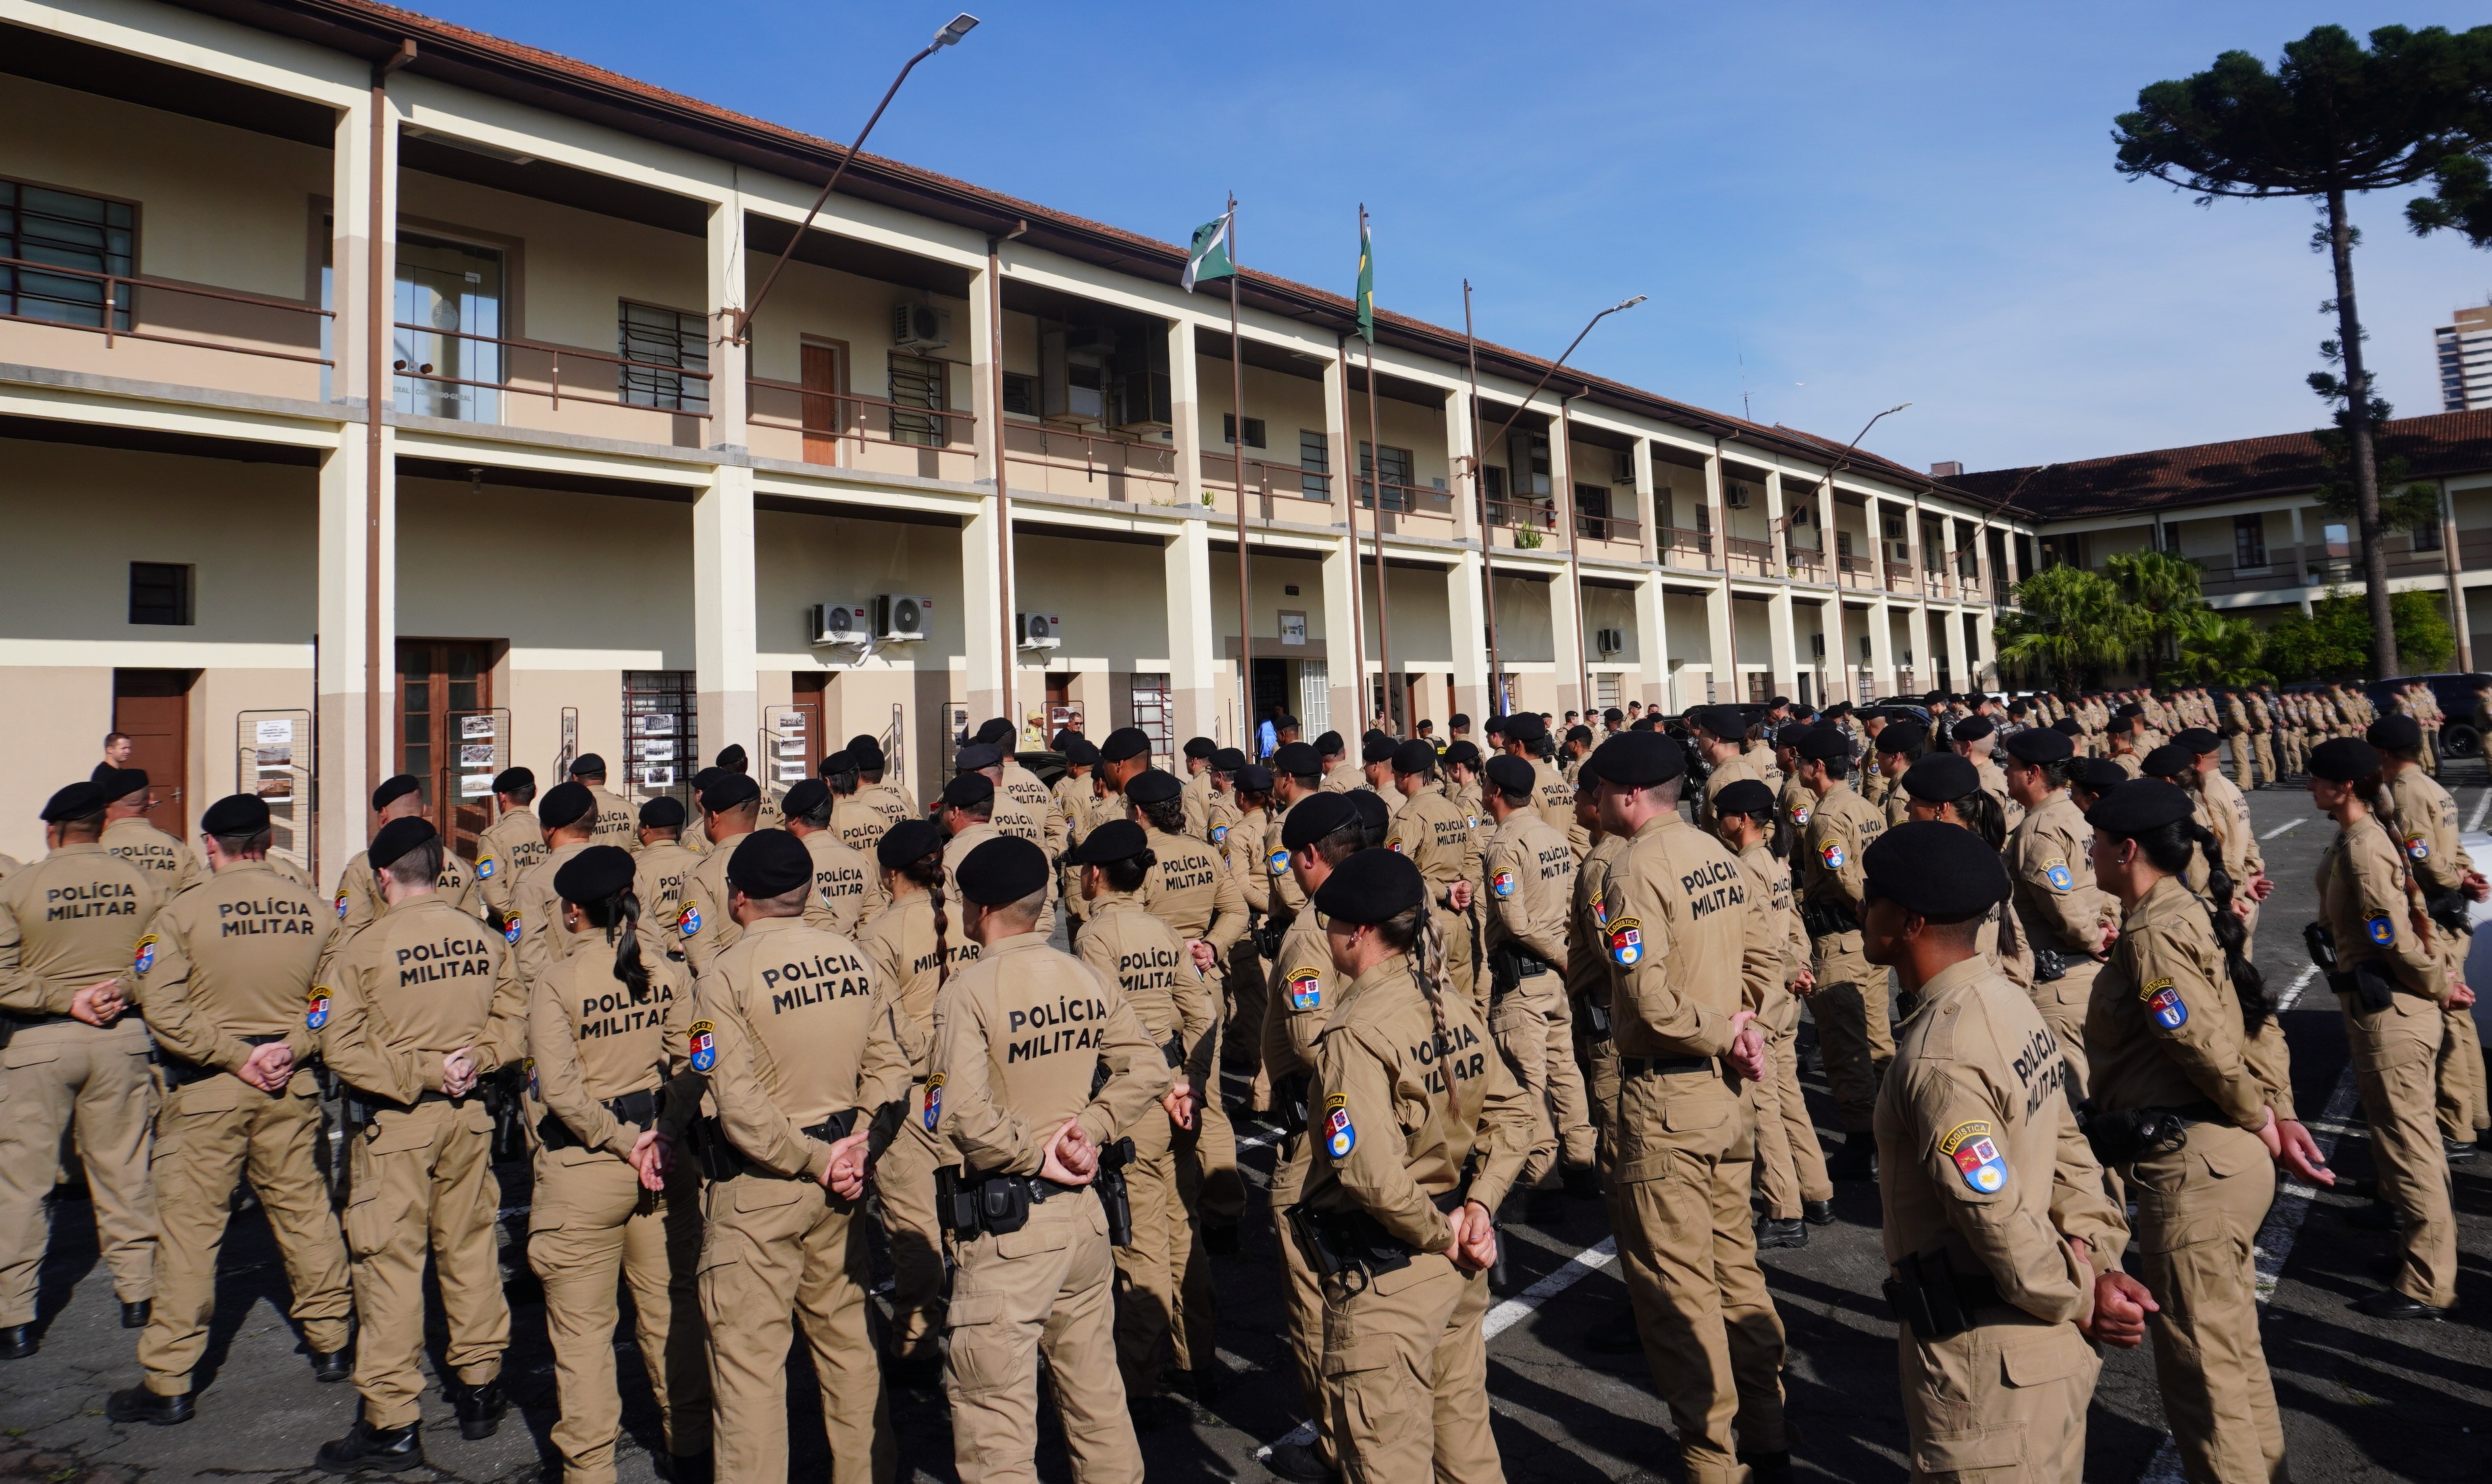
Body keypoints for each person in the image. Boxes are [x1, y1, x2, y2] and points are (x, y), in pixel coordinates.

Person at [1861, 821, 2144, 1484]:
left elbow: (1997, 1219)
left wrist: (2084, 1296)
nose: (1863, 911)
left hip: (1989, 1371)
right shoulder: (2008, 1002)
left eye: (1874, 899)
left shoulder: (1939, 1056)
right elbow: (2069, 1146)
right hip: (2043, 1351)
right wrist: (2100, 1261)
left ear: (1909, 921)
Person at [2086, 780, 2326, 1484]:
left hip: (2194, 1166)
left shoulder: (2154, 931)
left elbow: (2197, 1042)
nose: (2088, 852)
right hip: (2218, 1156)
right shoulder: (2181, 909)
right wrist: (2275, 1112)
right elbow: (2253, 1019)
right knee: (2234, 1358)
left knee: (2204, 1382)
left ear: (2126, 850)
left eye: (2096, 842)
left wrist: (2262, 1116)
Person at [929, 834, 1167, 1484]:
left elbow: (962, 1116)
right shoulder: (1082, 975)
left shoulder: (968, 991)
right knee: (1097, 1401)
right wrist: (1089, 1130)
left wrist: (1036, 1155)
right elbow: (1147, 1067)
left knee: (995, 1429)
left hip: (1011, 1232)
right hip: (1083, 1219)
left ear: (980, 910)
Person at [103, 794, 348, 1423]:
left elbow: (163, 1010)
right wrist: (287, 1049)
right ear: (268, 842)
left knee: (190, 1234)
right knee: (306, 1214)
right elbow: (332, 1004)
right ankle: (332, 1342)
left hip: (209, 1090)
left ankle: (170, 1378)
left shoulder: (181, 912)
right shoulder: (317, 911)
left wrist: (236, 1057)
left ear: (211, 846)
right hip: (289, 1084)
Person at [1589, 731, 1790, 1483]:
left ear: (1630, 795)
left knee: (1679, 1296)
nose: (1595, 800)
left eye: (1602, 789)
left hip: (1669, 1098)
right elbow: (1765, 957)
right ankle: (1768, 1434)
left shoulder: (1632, 869)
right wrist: (1746, 1025)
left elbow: (1647, 999)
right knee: (1736, 1270)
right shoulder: (1717, 853)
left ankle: (1712, 1462)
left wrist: (1725, 1033)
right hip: (1725, 1098)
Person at [1300, 848, 1531, 1481]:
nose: (1328, 935)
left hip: (1393, 1270)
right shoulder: (1445, 1002)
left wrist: (1443, 1232)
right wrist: (1478, 1206)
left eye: (1333, 923)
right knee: (1466, 1447)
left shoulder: (1355, 1033)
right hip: (1458, 1258)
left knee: (1388, 1459)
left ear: (1359, 933)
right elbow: (1516, 1116)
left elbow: (1371, 1175)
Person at [687, 827, 907, 1483]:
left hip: (763, 1184)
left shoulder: (724, 975)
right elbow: (892, 1069)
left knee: (749, 1367)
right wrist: (859, 1148)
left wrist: (816, 1159)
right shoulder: (853, 959)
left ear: (738, 897)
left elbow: (739, 1105)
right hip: (842, 1177)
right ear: (807, 892)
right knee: (848, 1343)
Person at [313, 816, 526, 1470]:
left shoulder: (363, 949)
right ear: (439, 869)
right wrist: (471, 1061)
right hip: (468, 1117)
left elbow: (339, 1046)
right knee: (470, 1248)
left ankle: (392, 1420)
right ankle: (481, 1387)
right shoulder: (485, 938)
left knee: (388, 1264)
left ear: (383, 877)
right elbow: (515, 1023)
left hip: (397, 1124)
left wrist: (426, 1072)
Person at [525, 845, 710, 1484]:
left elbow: (560, 1091)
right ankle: (691, 1448)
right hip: (663, 1153)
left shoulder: (558, 980)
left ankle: (591, 1470)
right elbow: (693, 1066)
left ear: (572, 911)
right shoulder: (665, 969)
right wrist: (663, 1132)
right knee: (672, 1310)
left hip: (588, 1165)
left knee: (583, 1337)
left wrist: (623, 1140)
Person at [0, 781, 162, 1361]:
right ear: (102, 826)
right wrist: (119, 990)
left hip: (39, 1044)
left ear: (53, 831)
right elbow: (159, 963)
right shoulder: (141, 883)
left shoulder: (20, 885)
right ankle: (139, 1294)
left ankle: (15, 1316)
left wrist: (64, 999)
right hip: (121, 1039)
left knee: (23, 1184)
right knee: (125, 1168)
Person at [2308, 737, 2464, 1318]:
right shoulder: (2358, 834)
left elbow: (2392, 936)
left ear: (2344, 786)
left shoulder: (2365, 848)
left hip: (2392, 1011)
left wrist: (2440, 981)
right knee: (2404, 1141)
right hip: (2377, 1004)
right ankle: (2417, 1256)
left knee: (2409, 1147)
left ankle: (2427, 1282)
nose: (2310, 785)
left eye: (2318, 777)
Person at [1070, 821, 1214, 1427]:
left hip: (1132, 1096)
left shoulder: (1094, 937)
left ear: (1095, 875)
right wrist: (1190, 1084)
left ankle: (1139, 1378)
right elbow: (1202, 1011)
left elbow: (1105, 1026)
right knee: (1184, 1228)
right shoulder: (1162, 931)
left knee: (1141, 1243)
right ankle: (1196, 1356)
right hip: (1177, 1090)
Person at [1255, 792, 1361, 1483]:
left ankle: (1337, 1445)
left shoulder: (1312, 929)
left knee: (1315, 1290)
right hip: (1385, 1125)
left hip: (1324, 1131)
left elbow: (1310, 1043)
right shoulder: (1394, 902)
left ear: (1308, 857)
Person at [1123, 766, 1245, 1368]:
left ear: (1137, 812)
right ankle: (1223, 1207)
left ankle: (1181, 1202)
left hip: (1151, 991)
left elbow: (1128, 925)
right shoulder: (1203, 852)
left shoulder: (1140, 859)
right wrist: (1211, 946)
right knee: (1209, 1098)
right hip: (1202, 979)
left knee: (1151, 1104)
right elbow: (1235, 909)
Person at [854, 819, 975, 1382]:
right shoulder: (969, 916)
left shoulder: (879, 936)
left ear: (888, 874)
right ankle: (975, 1326)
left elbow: (885, 1027)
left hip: (913, 1091)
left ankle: (916, 1342)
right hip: (968, 1084)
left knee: (914, 1223)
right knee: (969, 1214)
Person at [1709, 778, 1829, 1251]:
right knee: (1790, 1100)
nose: (1717, 823)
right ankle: (1816, 1192)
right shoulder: (1775, 862)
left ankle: (1784, 1212)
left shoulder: (1744, 868)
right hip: (1785, 995)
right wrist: (1800, 967)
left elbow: (1760, 939)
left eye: (1721, 815)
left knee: (1764, 1110)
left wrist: (1787, 971)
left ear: (1741, 821)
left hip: (1763, 1000)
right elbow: (1792, 924)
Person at [1477, 752, 1595, 1220]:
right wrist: (1565, 952)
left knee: (1528, 1079)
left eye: (1485, 784)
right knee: (1564, 1069)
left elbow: (1515, 921)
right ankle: (1581, 1160)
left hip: (1524, 977)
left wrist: (1559, 955)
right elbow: (1569, 902)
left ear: (1495, 793)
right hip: (1552, 980)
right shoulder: (1550, 835)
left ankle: (1541, 1176)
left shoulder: (1505, 844)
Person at [2369, 713, 2492, 1161]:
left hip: (2435, 915)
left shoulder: (2404, 792)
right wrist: (2468, 876)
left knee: (2447, 1020)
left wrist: (2457, 881)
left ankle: (2457, 1126)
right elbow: (2453, 847)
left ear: (2383, 753)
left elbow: (2420, 855)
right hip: (2449, 908)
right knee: (2459, 1020)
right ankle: (2476, 1117)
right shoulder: (2433, 787)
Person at [1794, 725, 1890, 1179]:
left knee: (1844, 1045)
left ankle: (1862, 1141)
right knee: (1877, 1039)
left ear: (1816, 767)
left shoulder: (1827, 817)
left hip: (1840, 940)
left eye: (1802, 762)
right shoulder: (1865, 807)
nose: (1798, 768)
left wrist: (1864, 912)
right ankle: (1890, 1129)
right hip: (1866, 940)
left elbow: (1843, 877)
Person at [511, 781, 600, 986]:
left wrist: (556, 995)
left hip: (569, 991)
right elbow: (648, 936)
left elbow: (529, 959)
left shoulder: (532, 881)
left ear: (550, 830)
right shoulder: (620, 868)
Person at [676, 770, 762, 975]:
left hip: (734, 983)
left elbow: (700, 955)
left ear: (713, 817)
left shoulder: (701, 876)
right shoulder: (784, 856)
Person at [783, 776, 882, 934]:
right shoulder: (858, 858)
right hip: (854, 947)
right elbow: (875, 912)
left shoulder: (790, 863)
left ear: (794, 820)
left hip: (811, 946)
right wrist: (854, 944)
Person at [97, 767, 201, 897]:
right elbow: (194, 896)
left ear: (106, 806)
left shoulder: (98, 846)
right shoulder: (178, 848)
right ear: (149, 800)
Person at [630, 796, 702, 962]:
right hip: (699, 949)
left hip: (657, 955)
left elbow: (635, 921)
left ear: (646, 829)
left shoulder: (636, 870)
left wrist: (672, 942)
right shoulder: (700, 862)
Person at [475, 767, 546, 928]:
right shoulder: (549, 830)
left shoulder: (493, 837)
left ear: (502, 797)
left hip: (512, 926)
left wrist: (519, 920)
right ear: (535, 793)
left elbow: (493, 893)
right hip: (549, 919)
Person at [567, 754, 639, 851]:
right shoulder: (630, 808)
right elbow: (638, 848)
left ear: (574, 778)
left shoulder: (571, 810)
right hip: (624, 861)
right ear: (605, 776)